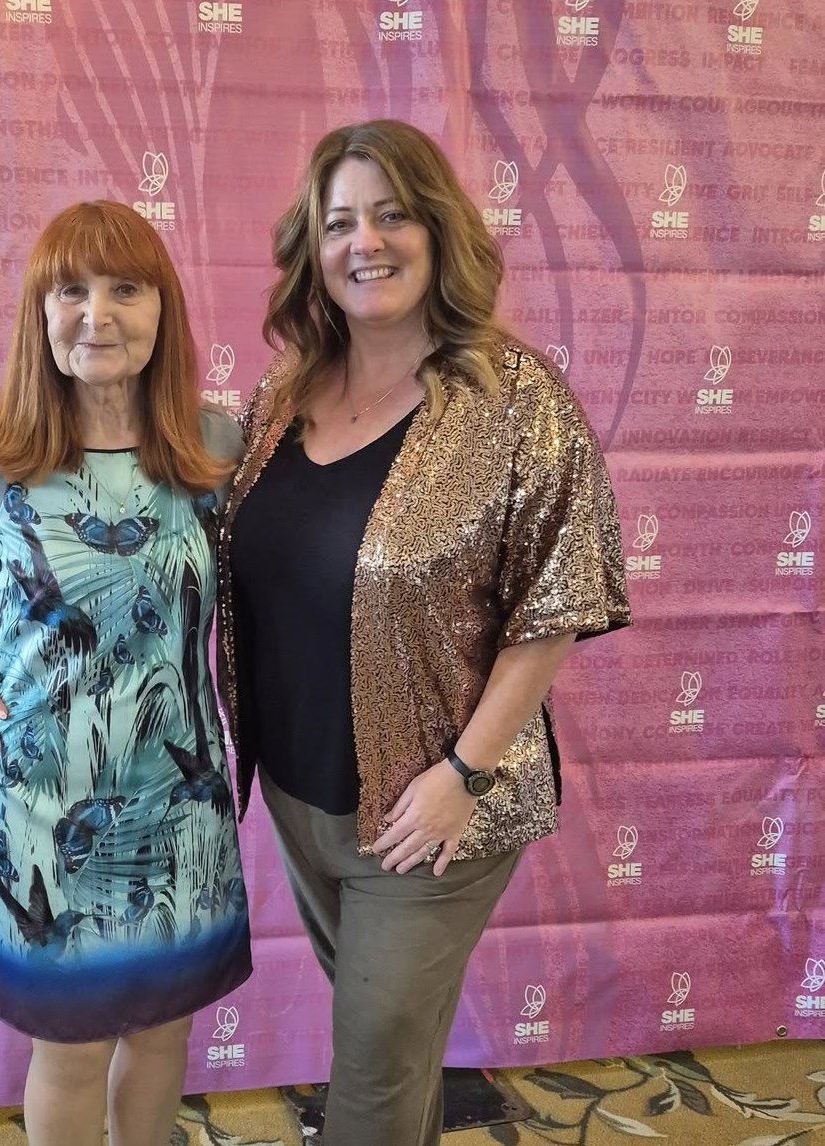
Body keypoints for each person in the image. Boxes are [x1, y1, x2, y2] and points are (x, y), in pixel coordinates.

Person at [217, 120, 631, 1145]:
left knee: (369, 1077)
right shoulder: (282, 396)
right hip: (302, 797)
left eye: (393, 214)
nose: (366, 241)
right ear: (313, 249)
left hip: (431, 810)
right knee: (392, 1055)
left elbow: (553, 606)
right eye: (340, 222)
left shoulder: (513, 399)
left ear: (439, 230)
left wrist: (463, 775)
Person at [0, 200, 250, 1146]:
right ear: (39, 314)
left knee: (165, 1034)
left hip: (179, 802)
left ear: (163, 306)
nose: (98, 314)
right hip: (41, 809)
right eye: (71, 291)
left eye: (125, 288)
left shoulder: (215, 448)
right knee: (73, 1049)